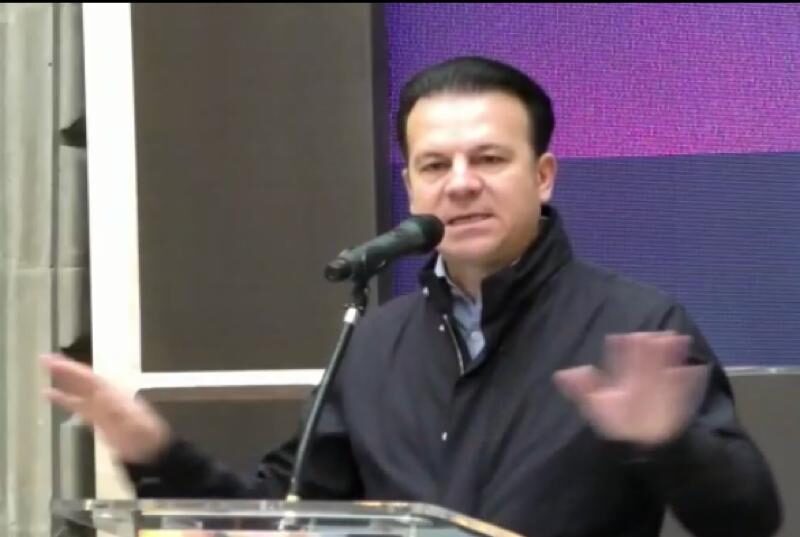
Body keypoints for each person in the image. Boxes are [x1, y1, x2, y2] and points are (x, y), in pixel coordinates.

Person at [44, 56, 782, 537]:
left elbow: (747, 519)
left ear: (543, 175)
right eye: (435, 165)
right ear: (410, 185)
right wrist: (156, 452)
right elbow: (281, 517)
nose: (460, 183)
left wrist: (669, 442)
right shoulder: (372, 343)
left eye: (488, 158)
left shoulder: (634, 324)